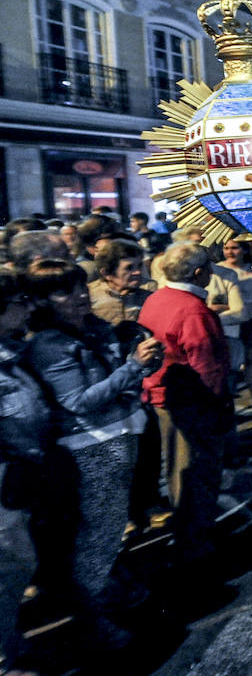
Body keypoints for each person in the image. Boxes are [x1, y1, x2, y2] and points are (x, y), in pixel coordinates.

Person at [27, 258, 162, 649]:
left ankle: (104, 601)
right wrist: (131, 367)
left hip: (120, 434)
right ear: (40, 300)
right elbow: (80, 402)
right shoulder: (49, 344)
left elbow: (118, 379)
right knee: (97, 538)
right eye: (63, 290)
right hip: (92, 446)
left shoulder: (93, 326)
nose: (79, 296)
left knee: (107, 530)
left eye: (80, 286)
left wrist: (140, 358)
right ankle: (94, 624)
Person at [138, 242, 233, 571]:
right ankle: (195, 542)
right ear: (199, 272)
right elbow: (208, 368)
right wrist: (218, 407)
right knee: (197, 472)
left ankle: (190, 534)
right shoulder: (193, 310)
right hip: (192, 403)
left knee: (179, 471)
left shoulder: (157, 298)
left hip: (165, 397)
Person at [0, 270, 45, 675]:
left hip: (17, 481)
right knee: (8, 567)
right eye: (19, 303)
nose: (28, 308)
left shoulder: (11, 352)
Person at [219, 237, 252, 411]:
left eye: (235, 248)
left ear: (244, 250)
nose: (230, 252)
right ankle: (228, 404)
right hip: (228, 322)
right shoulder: (218, 271)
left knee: (251, 360)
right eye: (226, 248)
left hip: (251, 320)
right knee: (229, 364)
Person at [88, 238, 154, 325]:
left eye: (139, 266)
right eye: (129, 268)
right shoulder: (89, 297)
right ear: (107, 273)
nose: (138, 272)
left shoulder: (149, 297)